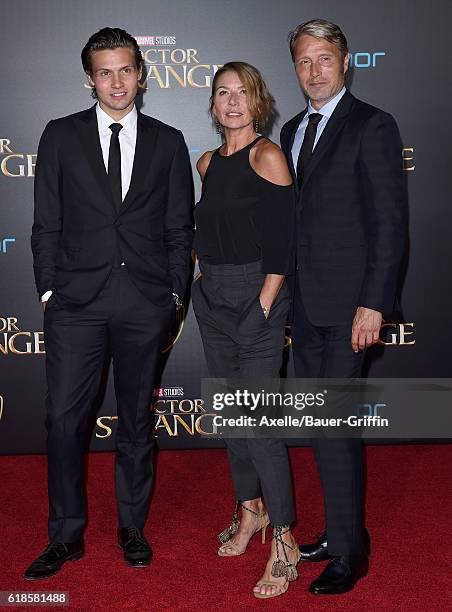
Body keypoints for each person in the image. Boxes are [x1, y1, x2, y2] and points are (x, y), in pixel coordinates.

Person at [25, 27, 194, 579]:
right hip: (75, 303)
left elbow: (178, 228)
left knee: (137, 423)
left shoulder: (169, 142)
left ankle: (132, 527)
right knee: (62, 420)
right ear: (89, 79)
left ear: (141, 74)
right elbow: (46, 222)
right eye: (105, 72)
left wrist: (172, 294)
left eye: (125, 70)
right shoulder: (59, 135)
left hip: (145, 302)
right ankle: (66, 535)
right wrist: (48, 289)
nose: (116, 82)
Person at [280, 19, 407, 595]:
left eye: (324, 58)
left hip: (351, 310)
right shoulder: (290, 130)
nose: (314, 70)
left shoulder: (373, 125)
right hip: (305, 309)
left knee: (335, 428)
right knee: (321, 426)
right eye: (304, 61)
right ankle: (337, 532)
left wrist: (374, 304)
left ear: (347, 61)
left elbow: (388, 224)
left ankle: (351, 551)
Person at [192, 62, 299, 599]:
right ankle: (250, 510)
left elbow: (282, 245)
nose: (232, 103)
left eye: (242, 94)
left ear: (258, 103)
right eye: (222, 94)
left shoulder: (268, 156)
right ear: (212, 105)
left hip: (258, 297)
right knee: (230, 420)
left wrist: (261, 304)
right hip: (211, 299)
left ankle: (284, 538)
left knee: (257, 422)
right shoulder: (207, 161)